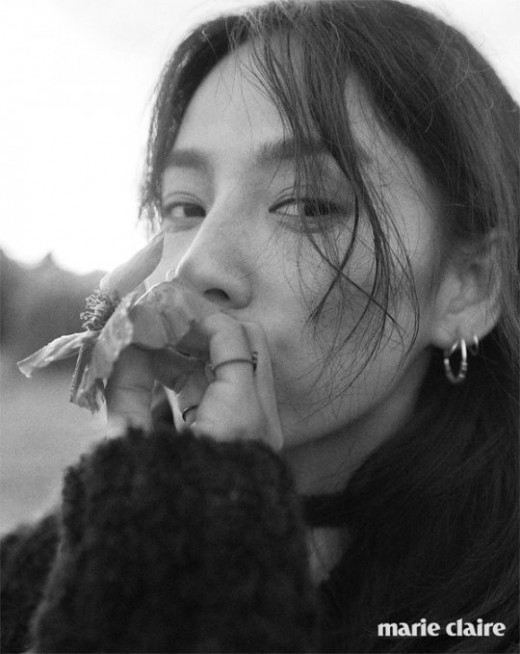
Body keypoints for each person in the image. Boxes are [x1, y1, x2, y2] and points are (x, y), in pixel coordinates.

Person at [2, 0, 518, 652]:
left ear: (469, 285)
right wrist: (153, 522)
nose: (194, 266)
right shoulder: (26, 578)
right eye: (184, 206)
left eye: (306, 204)